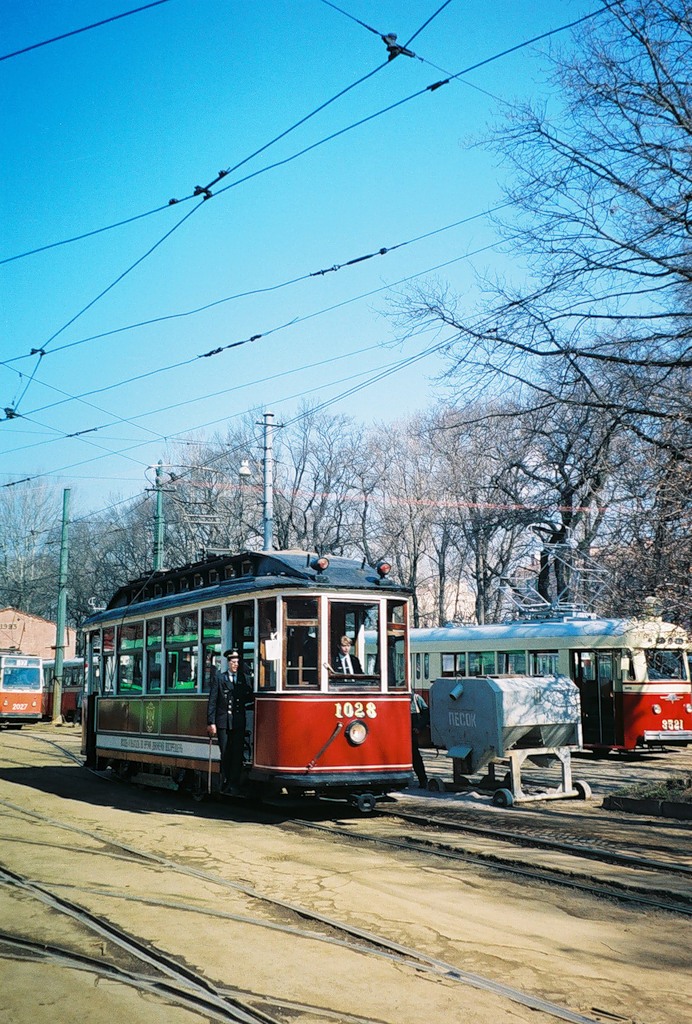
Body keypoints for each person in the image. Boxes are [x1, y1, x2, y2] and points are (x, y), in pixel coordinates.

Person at [207, 649, 252, 794]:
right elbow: (213, 701)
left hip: (238, 721)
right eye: (233, 662)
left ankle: (234, 782)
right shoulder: (220, 678)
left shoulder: (244, 679)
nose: (235, 665)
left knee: (237, 752)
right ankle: (225, 780)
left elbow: (249, 696)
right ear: (228, 663)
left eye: (237, 662)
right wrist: (211, 722)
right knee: (225, 752)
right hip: (223, 722)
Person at [410, 691, 428, 788]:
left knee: (415, 756)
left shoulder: (416, 698)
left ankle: (423, 780)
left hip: (412, 732)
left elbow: (426, 714)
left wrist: (419, 727)